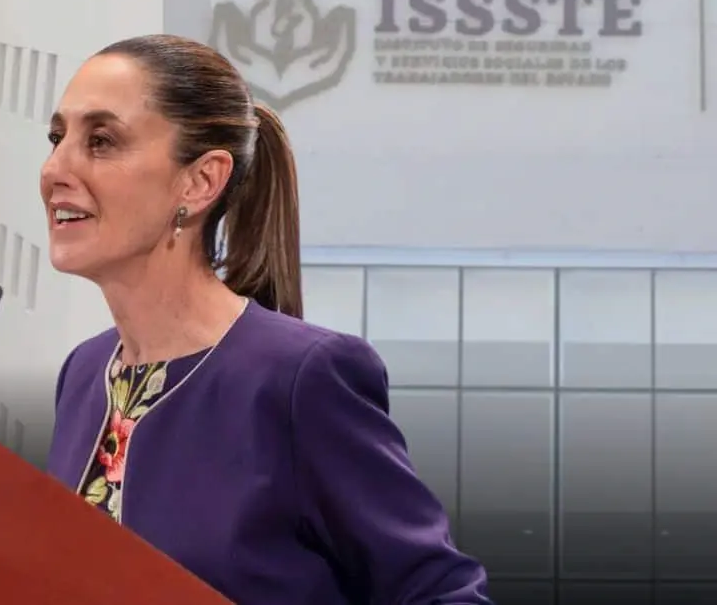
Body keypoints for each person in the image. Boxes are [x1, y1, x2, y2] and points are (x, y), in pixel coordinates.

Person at [41, 33, 491, 605]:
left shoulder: (301, 378)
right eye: (57, 138)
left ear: (200, 181)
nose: (55, 169)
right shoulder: (84, 373)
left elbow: (442, 594)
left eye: (101, 141)